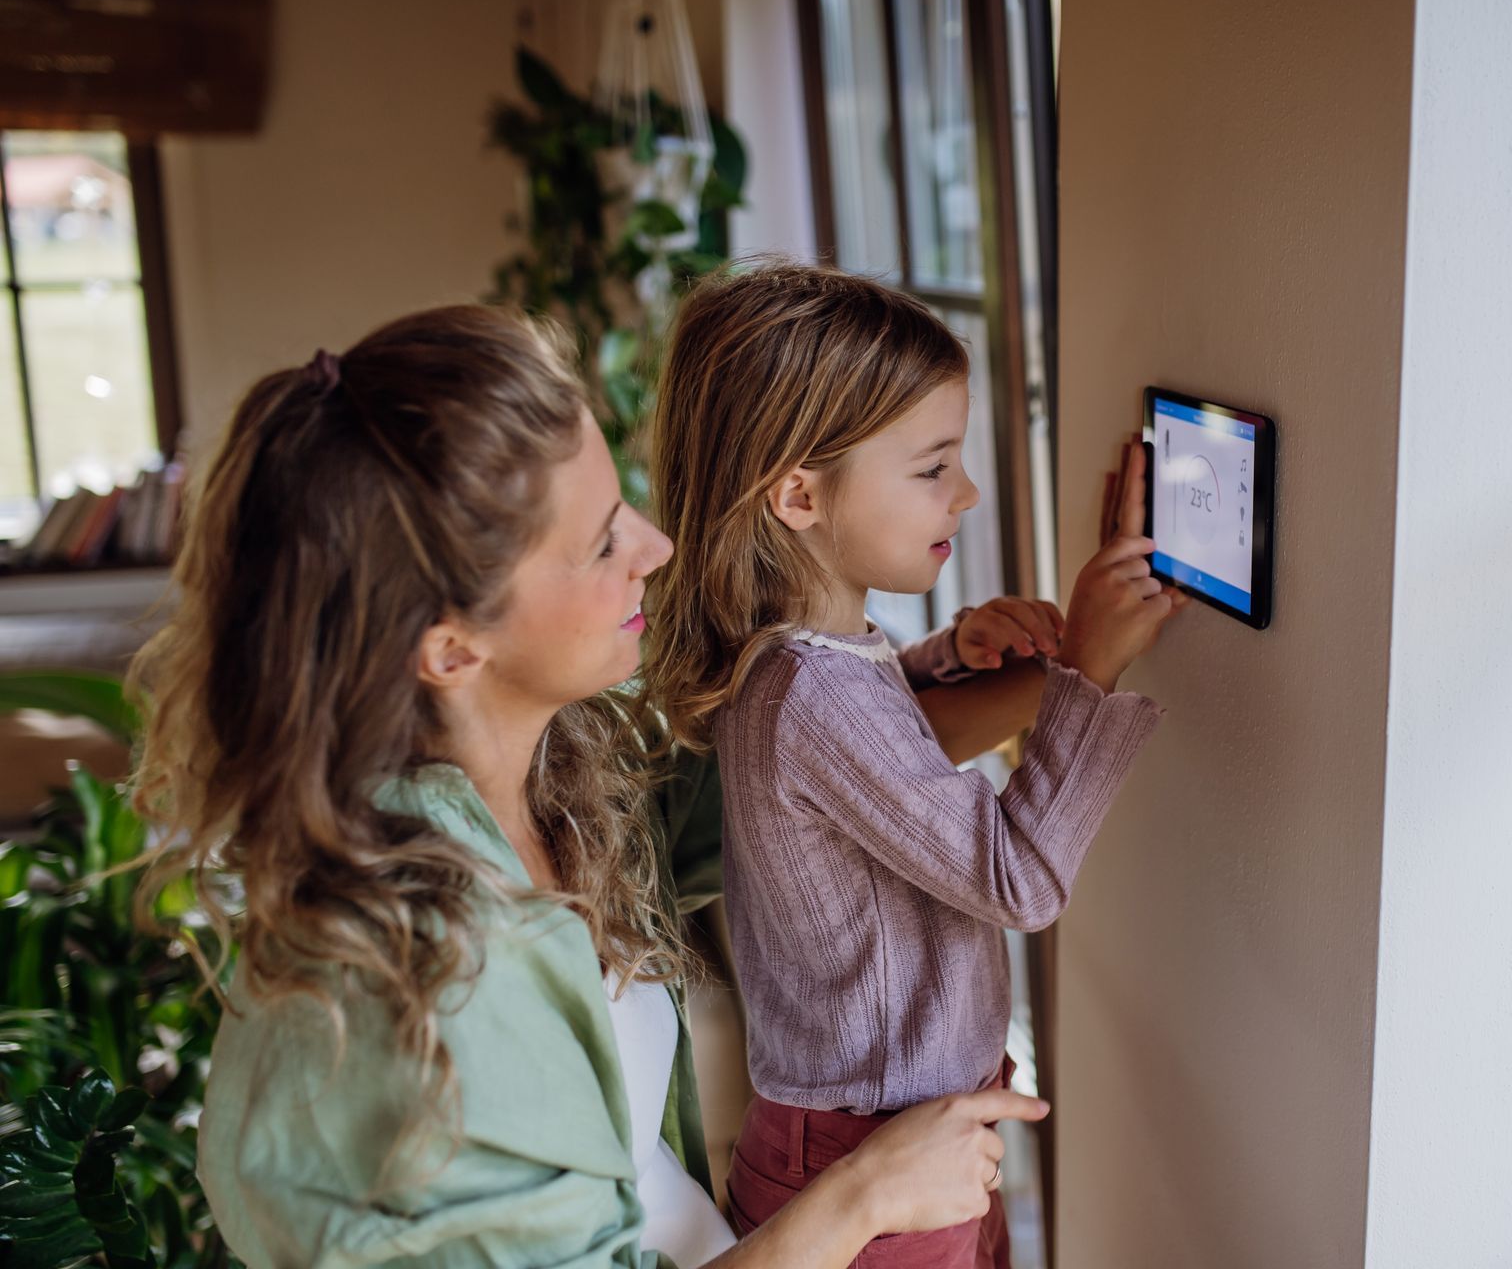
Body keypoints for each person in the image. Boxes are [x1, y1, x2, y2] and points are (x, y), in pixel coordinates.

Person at [129, 304, 1047, 1268]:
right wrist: (863, 1193)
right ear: (450, 647)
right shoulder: (418, 989)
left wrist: (1060, 667)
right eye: (604, 540)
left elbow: (848, 764)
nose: (654, 547)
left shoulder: (558, 775)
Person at [644, 264, 1179, 1267]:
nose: (966, 492)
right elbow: (1017, 877)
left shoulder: (808, 652)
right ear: (798, 492)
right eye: (933, 466)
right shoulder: (811, 689)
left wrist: (957, 655)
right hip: (869, 1158)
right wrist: (1090, 675)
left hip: (901, 1137)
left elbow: (882, 742)